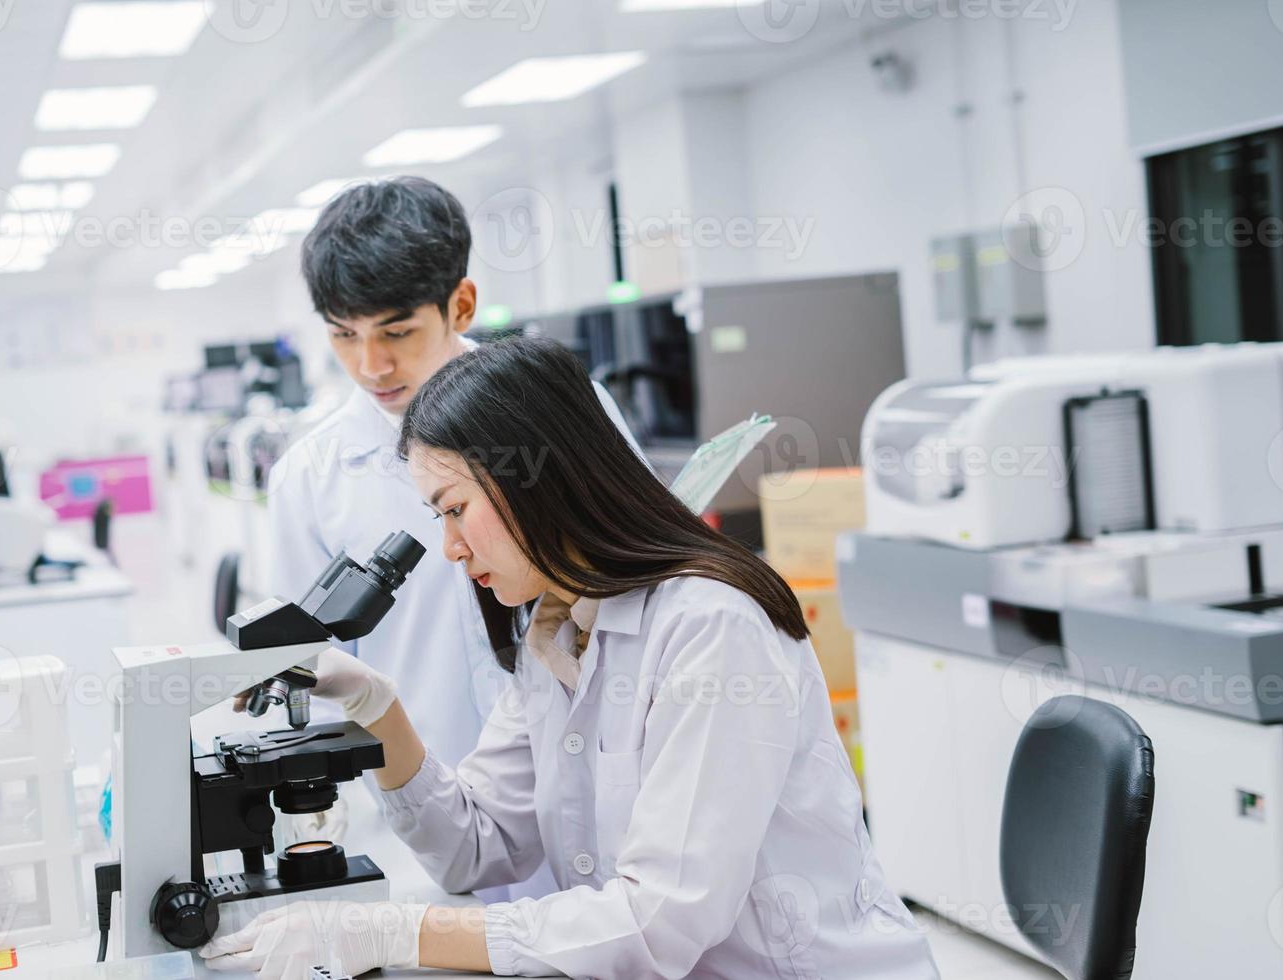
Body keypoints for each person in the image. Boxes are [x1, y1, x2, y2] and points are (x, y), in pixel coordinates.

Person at [204, 338, 940, 979]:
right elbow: (477, 848)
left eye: (455, 509)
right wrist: (378, 709)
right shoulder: (554, 629)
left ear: (535, 479)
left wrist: (398, 931)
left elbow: (659, 921)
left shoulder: (711, 626)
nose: (450, 548)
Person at [267, 176, 638, 769]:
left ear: (460, 304)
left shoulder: (567, 410)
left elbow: (639, 574)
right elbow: (310, 663)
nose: (371, 365)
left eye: (397, 330)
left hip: (601, 764)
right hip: (429, 796)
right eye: (344, 335)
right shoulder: (309, 477)